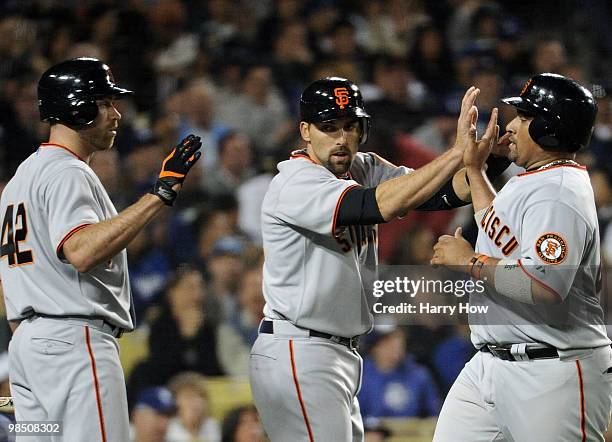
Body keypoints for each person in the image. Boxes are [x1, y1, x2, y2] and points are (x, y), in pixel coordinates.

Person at [249, 76, 505, 441]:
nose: (341, 137)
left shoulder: (363, 167)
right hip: (299, 350)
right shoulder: (294, 182)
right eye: (328, 127)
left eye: (350, 126)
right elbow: (378, 205)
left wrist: (489, 160)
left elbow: (441, 193)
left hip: (335, 351)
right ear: (305, 131)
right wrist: (453, 153)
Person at [0, 58, 202, 441]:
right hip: (75, 342)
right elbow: (80, 249)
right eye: (106, 102)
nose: (116, 114)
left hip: (27, 348)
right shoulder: (67, 171)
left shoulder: (18, 180)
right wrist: (160, 194)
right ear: (78, 106)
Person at [431, 73, 612, 441]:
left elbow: (543, 285)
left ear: (550, 128)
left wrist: (469, 261)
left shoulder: (559, 192)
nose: (512, 125)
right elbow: (498, 229)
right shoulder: (537, 179)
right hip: (490, 365)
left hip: (552, 371)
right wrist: (474, 170)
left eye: (525, 118)